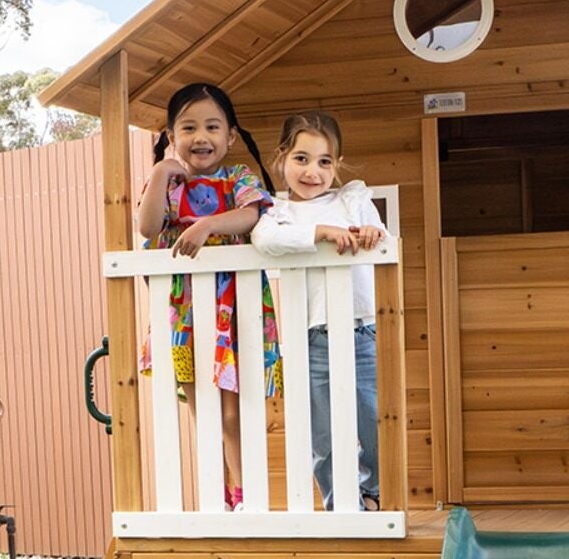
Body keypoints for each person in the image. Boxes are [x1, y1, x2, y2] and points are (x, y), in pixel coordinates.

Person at [136, 83, 281, 510]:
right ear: (172, 134)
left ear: (230, 136)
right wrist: (162, 171)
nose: (202, 137)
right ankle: (217, 496)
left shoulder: (239, 179)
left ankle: (244, 496)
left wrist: (206, 225)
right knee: (204, 412)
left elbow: (252, 213)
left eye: (213, 127)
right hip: (185, 316)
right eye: (189, 127)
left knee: (234, 412)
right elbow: (147, 228)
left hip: (234, 310)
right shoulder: (167, 185)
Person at [252, 111, 384, 511]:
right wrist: (322, 234)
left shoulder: (352, 199)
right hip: (311, 338)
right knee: (322, 434)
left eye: (325, 161)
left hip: (361, 332)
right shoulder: (277, 211)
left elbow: (379, 235)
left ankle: (371, 491)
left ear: (337, 165)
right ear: (281, 158)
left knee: (373, 421)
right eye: (302, 159)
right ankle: (339, 507)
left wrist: (374, 232)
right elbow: (266, 241)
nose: (313, 171)